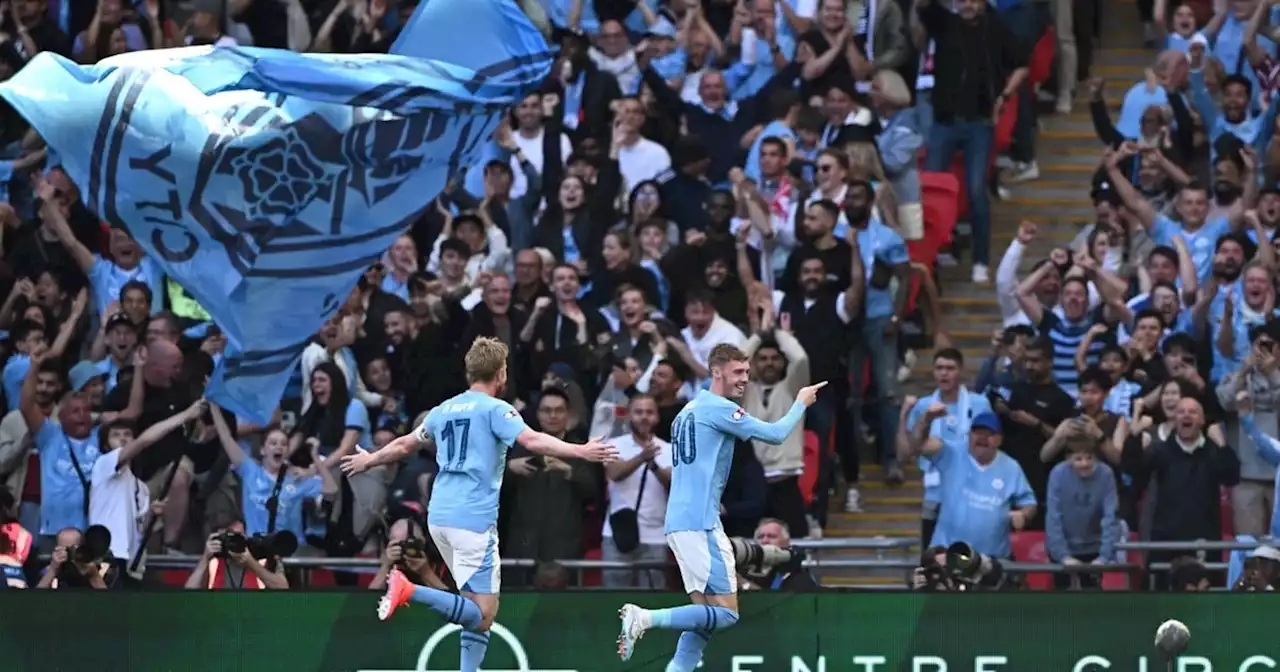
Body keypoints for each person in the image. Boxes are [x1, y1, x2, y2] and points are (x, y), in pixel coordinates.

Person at [339, 336, 617, 672]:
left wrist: (370, 460)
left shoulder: (444, 409)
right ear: (501, 373)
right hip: (472, 519)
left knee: (472, 607)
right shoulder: (496, 409)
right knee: (483, 616)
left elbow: (404, 445)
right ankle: (408, 589)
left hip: (440, 517)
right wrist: (580, 450)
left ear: (468, 371)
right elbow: (531, 439)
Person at [615, 343, 827, 670]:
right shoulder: (719, 409)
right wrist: (800, 402)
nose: (745, 378)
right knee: (727, 614)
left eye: (746, 371)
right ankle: (644, 618)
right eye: (738, 372)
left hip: (681, 521)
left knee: (705, 621)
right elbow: (775, 434)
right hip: (701, 522)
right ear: (717, 372)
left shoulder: (687, 411)